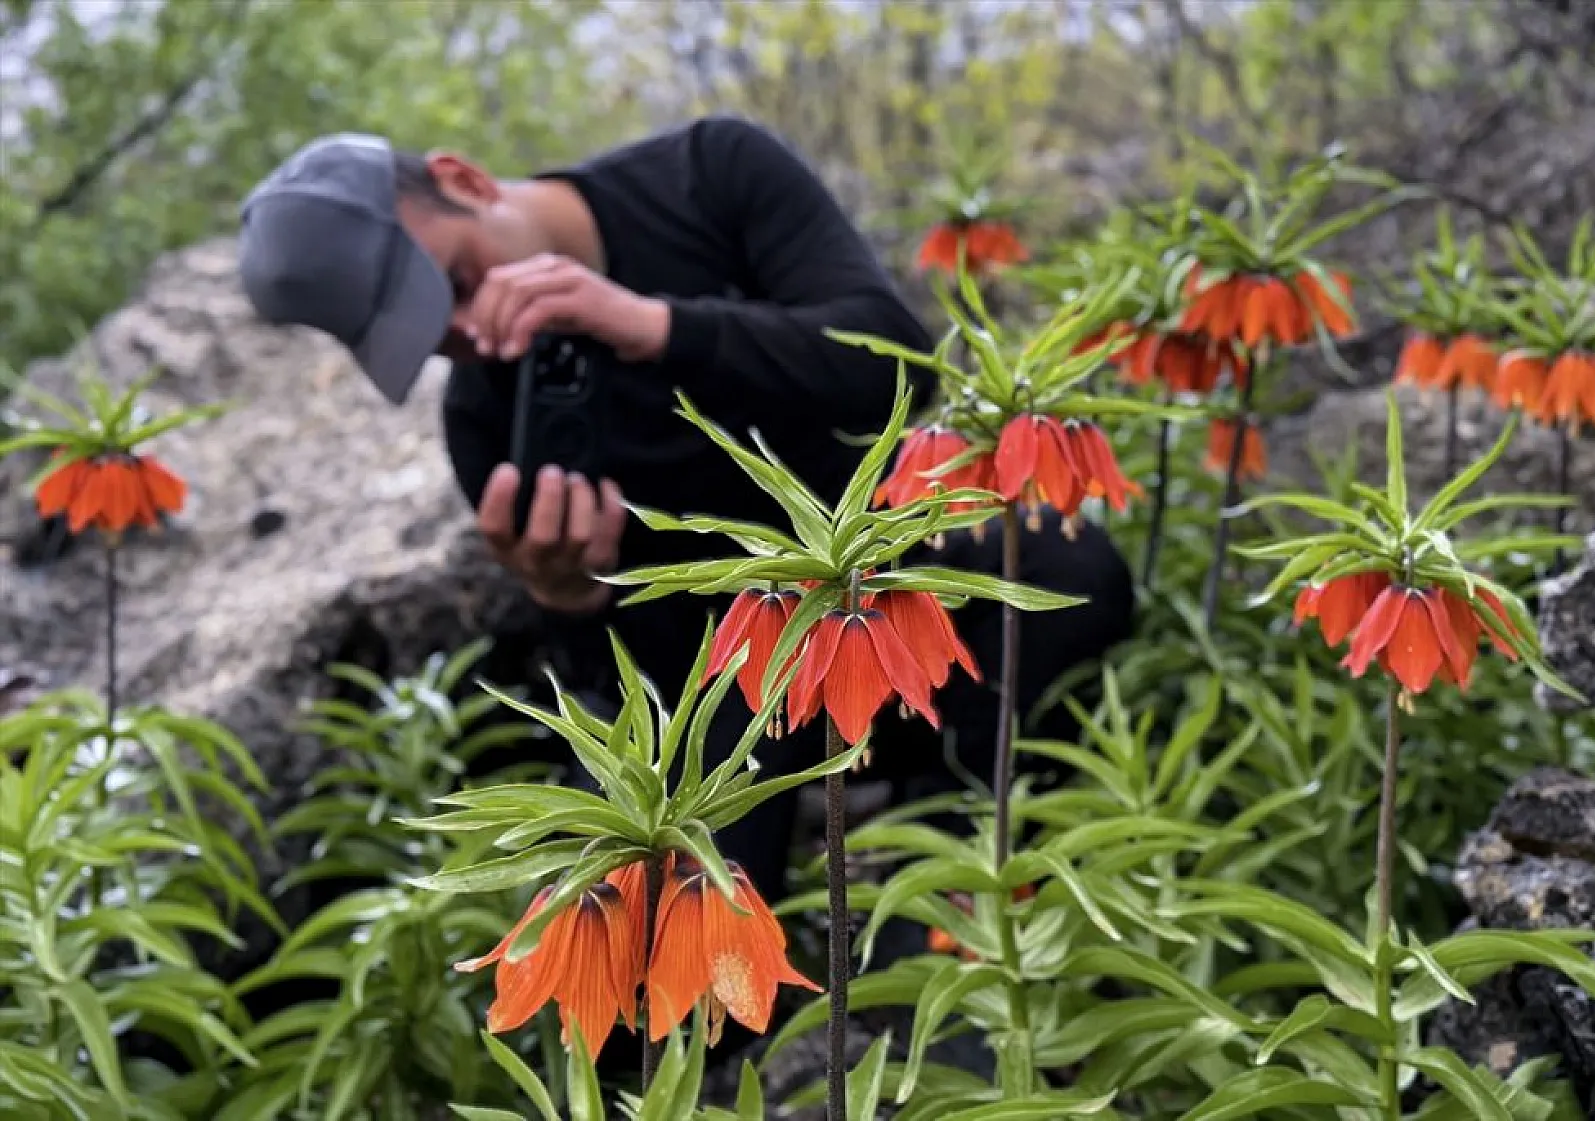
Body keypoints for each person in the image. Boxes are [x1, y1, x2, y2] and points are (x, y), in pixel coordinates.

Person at [236, 114, 1135, 1056]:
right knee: (645, 982)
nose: (472, 334)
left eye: (456, 285)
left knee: (1069, 576)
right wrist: (569, 598)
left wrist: (652, 326)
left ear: (465, 180)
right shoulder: (489, 418)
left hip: (884, 596)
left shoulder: (710, 175)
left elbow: (886, 359)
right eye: (437, 341)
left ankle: (949, 841)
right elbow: (630, 674)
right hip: (729, 696)